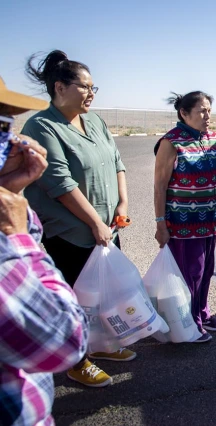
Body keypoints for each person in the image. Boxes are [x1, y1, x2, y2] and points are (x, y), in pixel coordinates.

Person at [21, 50, 135, 387]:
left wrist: (122, 204)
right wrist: (95, 224)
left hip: (108, 226)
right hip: (71, 231)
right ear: (60, 87)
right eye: (85, 87)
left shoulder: (95, 121)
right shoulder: (41, 126)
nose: (91, 94)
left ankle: (100, 346)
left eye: (93, 87)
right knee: (73, 299)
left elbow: (116, 161)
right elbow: (60, 184)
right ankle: (76, 360)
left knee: (102, 295)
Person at [0, 77, 89, 426]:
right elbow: (64, 341)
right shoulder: (44, 124)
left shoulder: (91, 122)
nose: (13, 142)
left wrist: (12, 195)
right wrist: (15, 234)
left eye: (7, 127)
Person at [154, 91, 216, 343]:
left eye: (209, 110)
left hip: (211, 219)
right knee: (190, 273)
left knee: (205, 271)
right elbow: (160, 186)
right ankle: (188, 323)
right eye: (201, 110)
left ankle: (202, 313)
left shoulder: (215, 139)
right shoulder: (171, 141)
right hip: (183, 223)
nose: (207, 115)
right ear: (184, 113)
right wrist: (160, 223)